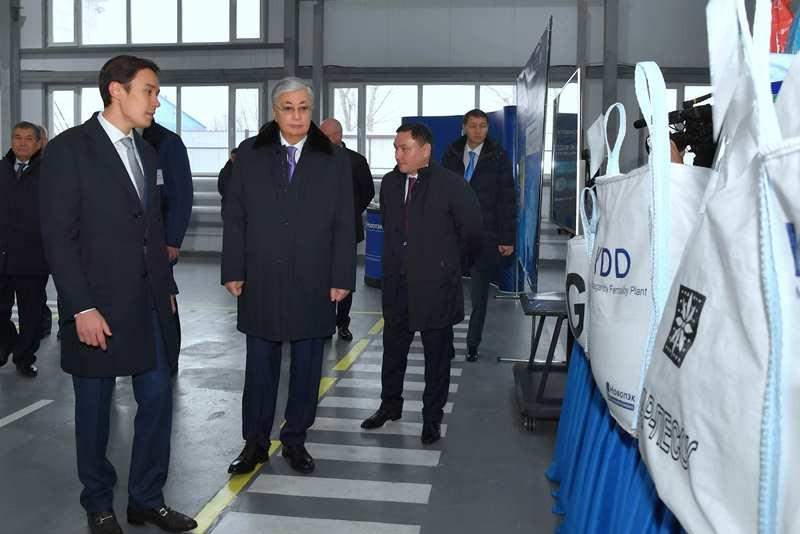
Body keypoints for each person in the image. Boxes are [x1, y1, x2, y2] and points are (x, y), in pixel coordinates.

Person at [39, 55, 196, 534]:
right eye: (149, 90)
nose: (156, 100)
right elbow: (58, 237)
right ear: (116, 91)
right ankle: (99, 503)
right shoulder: (69, 150)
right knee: (94, 410)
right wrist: (80, 307)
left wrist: (166, 289)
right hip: (98, 307)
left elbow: (151, 229)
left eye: (157, 92)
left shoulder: (146, 151)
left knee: (158, 401)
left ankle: (147, 499)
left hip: (149, 303)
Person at [222, 77, 355, 475]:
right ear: (274, 111)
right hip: (261, 276)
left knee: (308, 365)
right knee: (260, 366)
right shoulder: (251, 154)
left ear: (311, 111)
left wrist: (341, 276)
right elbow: (235, 216)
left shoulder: (333, 159)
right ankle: (255, 443)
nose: (296, 116)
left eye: (303, 108)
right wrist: (233, 269)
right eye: (288, 108)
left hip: (314, 277)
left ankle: (295, 440)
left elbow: (344, 222)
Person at [360, 123, 482, 444]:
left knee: (436, 357)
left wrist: (448, 266)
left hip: (435, 287)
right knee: (393, 351)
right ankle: (390, 405)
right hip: (397, 286)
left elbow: (472, 232)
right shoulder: (390, 184)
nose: (398, 155)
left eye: (405, 148)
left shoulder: (451, 186)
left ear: (425, 150)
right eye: (396, 148)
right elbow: (392, 228)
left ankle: (432, 418)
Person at [441, 109, 516, 362]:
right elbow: (440, 194)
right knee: (448, 292)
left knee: (479, 297)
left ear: (488, 128)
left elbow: (507, 199)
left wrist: (507, 238)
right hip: (452, 235)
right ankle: (446, 343)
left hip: (485, 235)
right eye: (472, 125)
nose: (477, 130)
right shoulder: (451, 153)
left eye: (482, 126)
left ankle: (473, 344)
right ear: (464, 127)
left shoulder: (498, 156)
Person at [142, 119, 194, 375]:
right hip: (121, 243)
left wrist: (172, 239)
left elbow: (181, 195)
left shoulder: (168, 142)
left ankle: (168, 359)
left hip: (158, 241)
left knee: (163, 301)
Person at [319, 117, 375, 341]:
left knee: (344, 278)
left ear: (338, 136)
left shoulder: (356, 161)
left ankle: (343, 323)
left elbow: (368, 191)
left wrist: (349, 213)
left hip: (347, 231)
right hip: (318, 233)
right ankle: (323, 323)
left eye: (325, 135)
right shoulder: (313, 159)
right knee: (320, 278)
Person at [0, 121, 48, 377]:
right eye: (17, 137)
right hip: (2, 255)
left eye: (29, 138)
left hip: (33, 256)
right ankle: (6, 341)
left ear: (39, 143)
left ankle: (24, 357)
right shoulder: (1, 169)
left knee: (31, 313)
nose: (22, 143)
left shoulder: (50, 172)